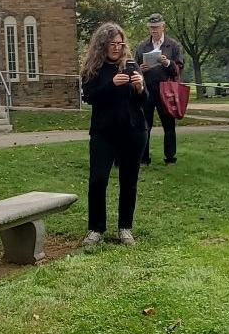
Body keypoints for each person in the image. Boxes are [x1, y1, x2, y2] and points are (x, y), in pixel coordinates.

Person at [78, 22, 149, 245]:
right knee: (98, 180)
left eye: (120, 44)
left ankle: (125, 228)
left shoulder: (130, 65)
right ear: (102, 44)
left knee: (129, 181)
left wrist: (140, 87)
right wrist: (112, 84)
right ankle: (96, 229)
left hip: (133, 130)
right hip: (104, 132)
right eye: (112, 44)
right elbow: (89, 97)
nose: (117, 48)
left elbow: (142, 100)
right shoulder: (93, 68)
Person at [137, 13, 185, 166]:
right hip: (148, 89)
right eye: (151, 28)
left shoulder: (173, 45)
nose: (154, 31)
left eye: (157, 27)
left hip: (166, 89)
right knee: (145, 125)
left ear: (163, 26)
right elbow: (133, 67)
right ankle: (144, 159)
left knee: (169, 125)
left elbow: (178, 69)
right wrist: (140, 69)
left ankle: (170, 158)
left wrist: (167, 63)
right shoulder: (143, 46)